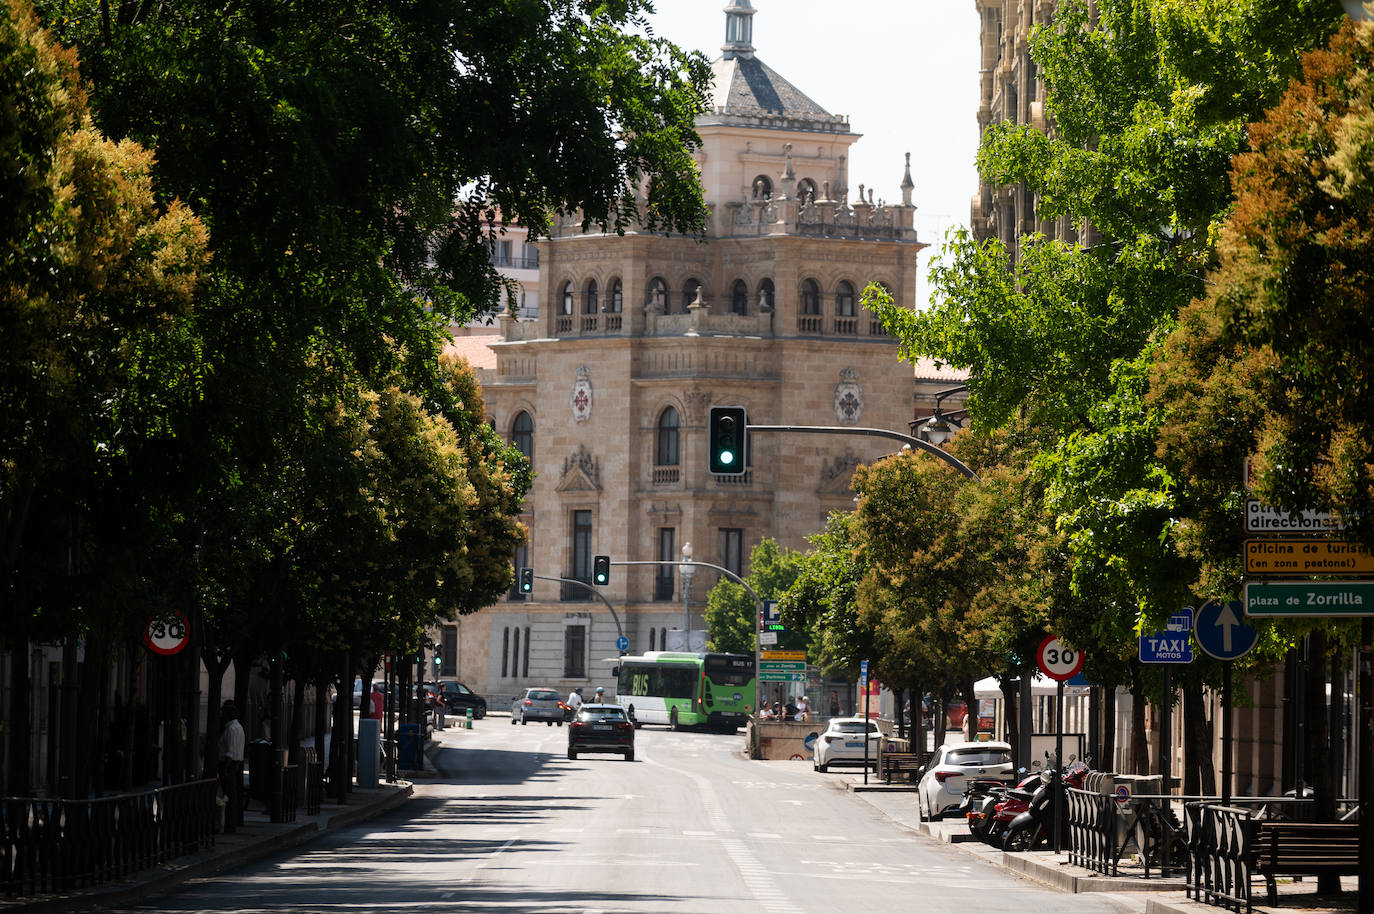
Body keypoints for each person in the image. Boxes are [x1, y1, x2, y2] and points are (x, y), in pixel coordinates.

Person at [219, 701, 245, 833]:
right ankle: (229, 823)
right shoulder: (236, 727)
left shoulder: (232, 729)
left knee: (229, 795)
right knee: (229, 795)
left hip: (230, 764)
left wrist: (225, 768)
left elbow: (230, 752)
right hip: (233, 764)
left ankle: (230, 825)